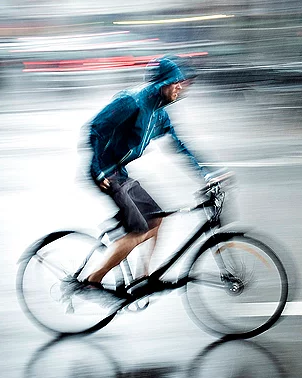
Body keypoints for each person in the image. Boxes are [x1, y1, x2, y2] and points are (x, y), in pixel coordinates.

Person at [82, 56, 210, 290]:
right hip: (106, 175)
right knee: (140, 230)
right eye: (176, 82)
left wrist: (208, 174)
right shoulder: (131, 102)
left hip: (119, 172)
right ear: (162, 83)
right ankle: (93, 280)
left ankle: (143, 278)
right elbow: (95, 130)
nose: (180, 87)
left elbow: (180, 146)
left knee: (157, 218)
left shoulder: (159, 114)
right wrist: (98, 170)